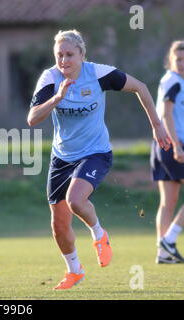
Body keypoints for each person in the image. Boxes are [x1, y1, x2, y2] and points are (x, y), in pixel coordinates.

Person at [27, 29, 170, 290]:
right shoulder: (50, 78)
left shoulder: (98, 74)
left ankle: (99, 234)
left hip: (96, 152)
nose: (64, 61)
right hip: (62, 157)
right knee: (59, 225)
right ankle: (74, 271)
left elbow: (140, 87)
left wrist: (156, 125)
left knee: (75, 201)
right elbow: (32, 118)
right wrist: (56, 98)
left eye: (70, 54)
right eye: (59, 55)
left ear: (82, 55)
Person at [151, 40, 184, 264]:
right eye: (178, 59)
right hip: (174, 144)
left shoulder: (171, 80)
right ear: (170, 60)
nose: (182, 63)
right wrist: (177, 145)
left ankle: (163, 253)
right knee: (167, 202)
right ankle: (169, 239)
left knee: (168, 202)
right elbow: (166, 114)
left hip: (161, 145)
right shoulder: (174, 81)